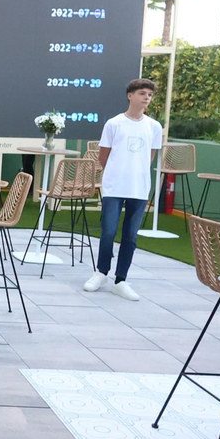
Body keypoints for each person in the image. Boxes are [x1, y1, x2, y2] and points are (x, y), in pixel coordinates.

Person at [83, 78, 163, 302]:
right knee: (108, 231)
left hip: (139, 188)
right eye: (142, 93)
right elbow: (103, 156)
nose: (147, 97)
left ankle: (121, 280)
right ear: (130, 96)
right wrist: (118, 174)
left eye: (149, 94)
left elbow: (150, 155)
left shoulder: (154, 126)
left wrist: (136, 174)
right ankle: (100, 272)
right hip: (114, 187)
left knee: (130, 236)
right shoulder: (114, 124)